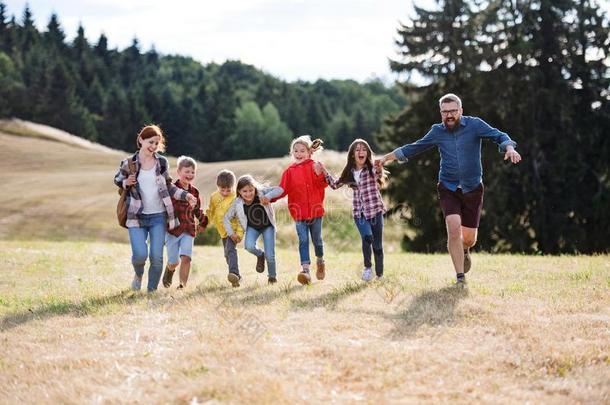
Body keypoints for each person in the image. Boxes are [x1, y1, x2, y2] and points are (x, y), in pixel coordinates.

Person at [375, 93, 522, 284]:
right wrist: (386, 158)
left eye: (453, 111)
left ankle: (466, 249)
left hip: (472, 188)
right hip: (448, 187)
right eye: (445, 112)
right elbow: (414, 147)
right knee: (453, 229)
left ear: (460, 110)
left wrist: (509, 148)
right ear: (440, 113)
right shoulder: (437, 131)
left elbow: (499, 135)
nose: (449, 115)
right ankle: (460, 277)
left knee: (468, 238)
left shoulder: (474, 125)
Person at [113, 125, 196, 292]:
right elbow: (117, 179)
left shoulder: (162, 162)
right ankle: (138, 274)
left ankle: (151, 291)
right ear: (141, 140)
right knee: (140, 255)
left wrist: (185, 195)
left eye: (157, 143)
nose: (153, 146)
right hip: (136, 216)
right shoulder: (128, 163)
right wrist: (125, 182)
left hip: (158, 216)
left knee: (157, 258)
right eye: (151, 142)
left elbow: (169, 186)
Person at [319, 139, 388, 281]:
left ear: (368, 153)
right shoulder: (349, 172)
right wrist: (325, 172)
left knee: (378, 246)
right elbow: (334, 184)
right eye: (357, 150)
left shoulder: (371, 169)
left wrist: (380, 168)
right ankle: (368, 268)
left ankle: (379, 274)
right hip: (359, 213)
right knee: (367, 237)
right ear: (352, 155)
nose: (361, 152)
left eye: (364, 149)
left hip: (375, 210)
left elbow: (379, 174)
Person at [276, 135, 329, 285]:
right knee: (303, 240)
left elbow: (322, 185)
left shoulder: (315, 166)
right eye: (295, 151)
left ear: (309, 152)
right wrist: (268, 198)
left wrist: (319, 174)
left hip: (316, 212)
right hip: (299, 214)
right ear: (292, 153)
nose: (298, 154)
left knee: (317, 240)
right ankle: (305, 271)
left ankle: (320, 261)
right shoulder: (289, 172)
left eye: (302, 151)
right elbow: (282, 190)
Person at [223, 175, 283, 284]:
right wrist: (231, 233)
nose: (248, 193)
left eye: (251, 190)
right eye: (244, 191)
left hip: (268, 226)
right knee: (249, 246)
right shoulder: (237, 203)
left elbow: (280, 189)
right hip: (252, 228)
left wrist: (268, 196)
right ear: (239, 191)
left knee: (270, 255)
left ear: (254, 188)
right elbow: (226, 218)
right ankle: (260, 255)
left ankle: (272, 278)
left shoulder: (261, 193)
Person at [161, 156, 208, 290]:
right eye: (187, 171)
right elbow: (167, 206)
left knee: (186, 258)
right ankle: (170, 269)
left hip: (188, 229)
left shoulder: (195, 191)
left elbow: (197, 209)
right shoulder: (172, 189)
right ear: (179, 172)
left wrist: (203, 222)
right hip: (173, 230)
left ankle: (182, 285)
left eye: (192, 172)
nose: (190, 175)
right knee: (174, 261)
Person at [206, 170, 244, 287]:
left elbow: (240, 218)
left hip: (232, 231)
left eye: (228, 190)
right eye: (222, 190)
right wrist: (204, 224)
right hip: (222, 231)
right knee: (227, 254)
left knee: (230, 250)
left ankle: (233, 273)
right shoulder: (214, 197)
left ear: (233, 186)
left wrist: (238, 233)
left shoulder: (236, 198)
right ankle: (238, 277)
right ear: (218, 186)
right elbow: (210, 212)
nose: (225, 192)